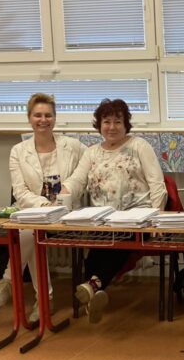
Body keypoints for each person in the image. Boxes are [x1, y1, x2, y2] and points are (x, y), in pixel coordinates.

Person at [0, 93, 87, 323]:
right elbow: (20, 192)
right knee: (31, 230)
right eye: (38, 115)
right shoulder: (18, 151)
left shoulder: (73, 146)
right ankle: (43, 300)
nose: (43, 120)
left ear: (55, 118)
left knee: (29, 232)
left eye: (48, 115)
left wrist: (67, 191)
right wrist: (44, 205)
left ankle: (9, 281)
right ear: (29, 118)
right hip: (31, 210)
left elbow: (83, 174)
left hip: (65, 212)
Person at [67, 98, 165, 322]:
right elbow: (77, 180)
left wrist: (157, 218)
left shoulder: (139, 146)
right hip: (100, 218)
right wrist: (62, 192)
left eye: (117, 121)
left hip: (138, 217)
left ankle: (92, 286)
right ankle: (94, 291)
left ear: (126, 124)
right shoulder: (91, 152)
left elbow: (157, 184)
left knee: (116, 240)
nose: (112, 127)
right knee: (97, 246)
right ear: (99, 124)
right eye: (107, 121)